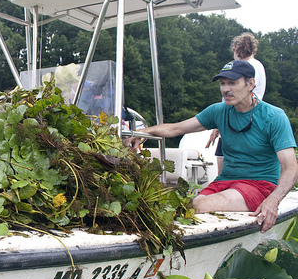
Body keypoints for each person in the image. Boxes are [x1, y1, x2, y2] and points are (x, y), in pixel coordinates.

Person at [125, 60, 298, 233]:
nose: (225, 89)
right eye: (223, 84)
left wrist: (273, 200)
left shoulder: (274, 117)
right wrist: (141, 134)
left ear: (250, 84)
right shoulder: (218, 111)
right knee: (184, 207)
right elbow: (177, 128)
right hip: (225, 182)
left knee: (197, 205)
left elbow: (291, 168)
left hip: (259, 186)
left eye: (232, 83)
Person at [208, 33, 267, 173]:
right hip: (246, 120)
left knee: (225, 166)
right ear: (254, 50)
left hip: (239, 120)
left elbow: (240, 96)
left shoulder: (244, 67)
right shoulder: (258, 66)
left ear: (235, 48)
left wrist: (218, 124)